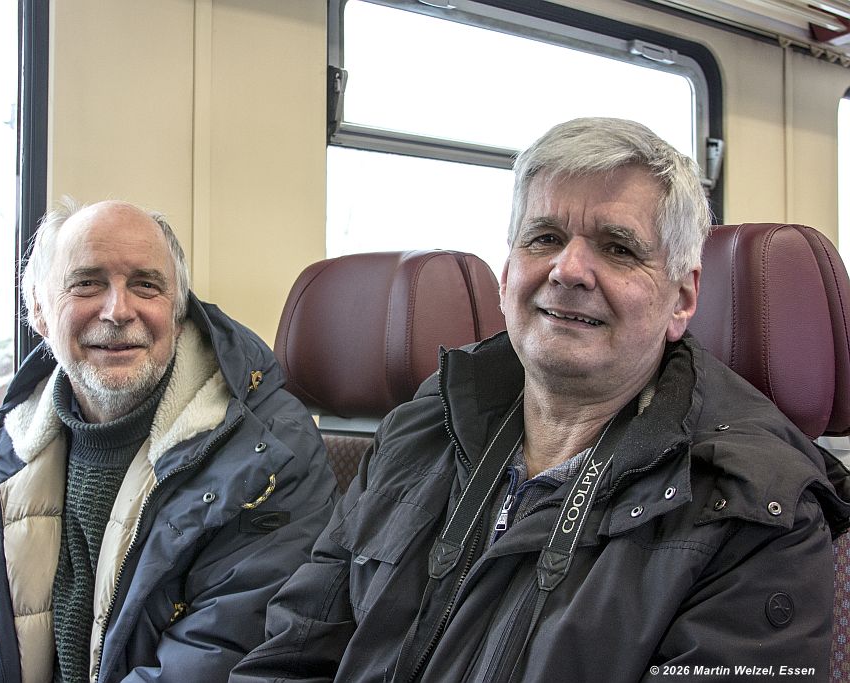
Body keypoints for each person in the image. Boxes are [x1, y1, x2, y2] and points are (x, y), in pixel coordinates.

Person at [230, 118, 850, 682]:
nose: (568, 270)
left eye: (618, 247)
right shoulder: (418, 433)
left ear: (682, 299)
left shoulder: (755, 508)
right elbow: (291, 658)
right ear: (506, 276)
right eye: (544, 238)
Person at [0, 198, 336, 682]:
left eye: (146, 285)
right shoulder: (3, 454)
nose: (118, 311)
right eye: (87, 283)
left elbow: (219, 658)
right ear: (40, 312)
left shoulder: (269, 450)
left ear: (177, 314)